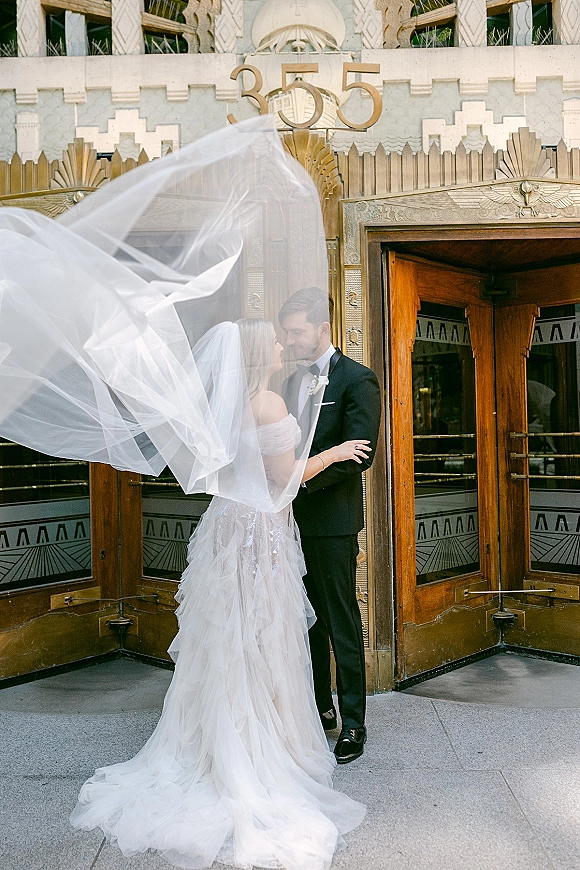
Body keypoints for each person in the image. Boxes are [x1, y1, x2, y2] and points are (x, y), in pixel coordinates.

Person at [69, 318, 369, 869]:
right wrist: (336, 451)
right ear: (262, 352)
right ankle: (258, 748)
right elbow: (285, 477)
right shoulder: (267, 405)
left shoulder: (225, 405)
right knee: (260, 633)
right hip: (260, 533)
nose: (283, 343)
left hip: (228, 525)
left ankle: (221, 732)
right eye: (275, 339)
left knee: (230, 635)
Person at [279, 288, 381, 765]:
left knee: (340, 619)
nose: (290, 339)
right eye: (287, 331)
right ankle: (319, 707)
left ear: (324, 328)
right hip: (284, 521)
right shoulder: (287, 383)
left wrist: (298, 482)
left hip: (331, 522)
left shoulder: (357, 380)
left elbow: (358, 455)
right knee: (306, 619)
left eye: (297, 331)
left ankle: (354, 723)